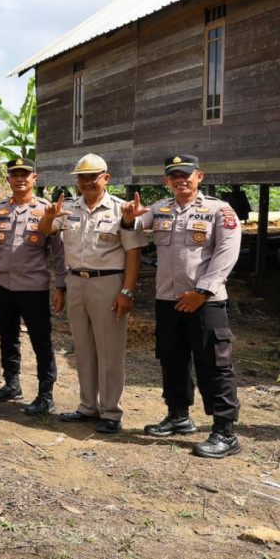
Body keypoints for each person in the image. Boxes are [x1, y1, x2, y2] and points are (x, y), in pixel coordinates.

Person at [121, 155, 242, 458]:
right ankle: (178, 415)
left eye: (186, 174)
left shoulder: (219, 210)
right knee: (171, 359)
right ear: (166, 181)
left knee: (214, 364)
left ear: (199, 176)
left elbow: (227, 253)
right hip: (168, 300)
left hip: (206, 302)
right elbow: (134, 224)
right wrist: (127, 216)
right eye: (174, 175)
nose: (180, 180)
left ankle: (225, 432)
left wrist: (202, 291)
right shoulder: (161, 209)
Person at [37, 153, 145, 434]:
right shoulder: (68, 207)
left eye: (92, 177)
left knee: (109, 349)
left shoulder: (121, 210)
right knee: (83, 347)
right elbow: (45, 230)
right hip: (76, 282)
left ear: (105, 178)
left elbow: (133, 254)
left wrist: (127, 291)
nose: (86, 182)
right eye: (81, 177)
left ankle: (111, 412)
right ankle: (87, 406)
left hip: (107, 283)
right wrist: (48, 218)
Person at [0, 158, 66, 415]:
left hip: (32, 287)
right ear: (8, 179)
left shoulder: (46, 210)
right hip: (0, 284)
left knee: (41, 342)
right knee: (8, 336)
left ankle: (45, 394)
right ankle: (12, 384)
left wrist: (60, 286)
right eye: (14, 174)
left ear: (34, 178)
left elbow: (58, 253)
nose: (20, 178)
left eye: (25, 174)